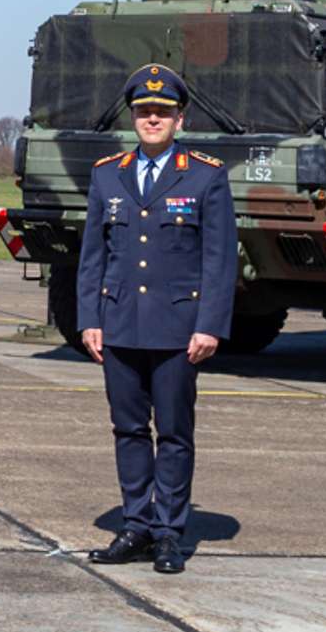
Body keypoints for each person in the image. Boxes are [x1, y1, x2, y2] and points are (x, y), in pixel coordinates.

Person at [74, 62, 234, 574]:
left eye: (162, 113)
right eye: (144, 111)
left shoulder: (205, 175)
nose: (152, 119)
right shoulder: (107, 175)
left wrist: (209, 324)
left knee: (174, 432)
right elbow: (92, 256)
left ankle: (169, 532)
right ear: (133, 118)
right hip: (119, 324)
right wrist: (89, 318)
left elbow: (219, 258)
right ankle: (136, 525)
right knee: (127, 430)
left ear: (179, 120)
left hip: (177, 328)